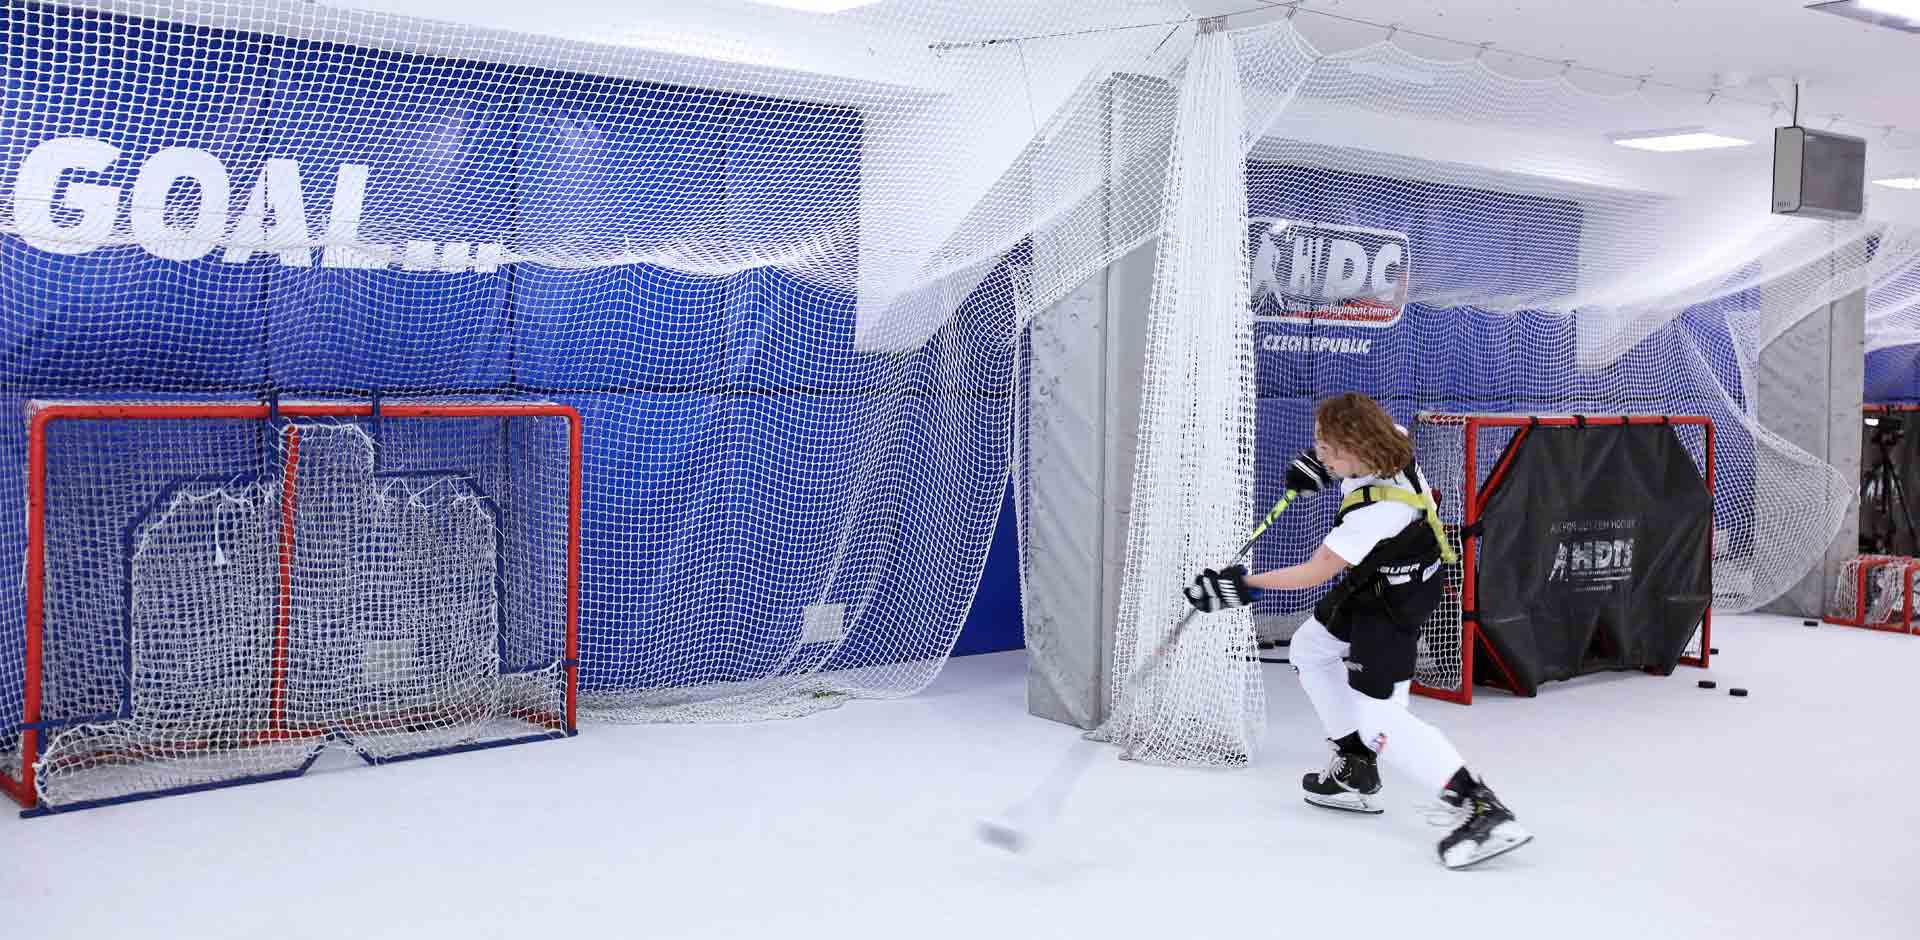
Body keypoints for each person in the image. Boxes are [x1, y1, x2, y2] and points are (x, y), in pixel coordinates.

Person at [1182, 392, 1532, 870]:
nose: (1318, 451)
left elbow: (1315, 572)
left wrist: (1242, 586)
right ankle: (1355, 769)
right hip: (1374, 580)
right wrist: (1318, 468)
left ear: (1358, 451)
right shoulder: (1394, 442)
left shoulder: (1376, 515)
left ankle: (1485, 809)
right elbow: (1352, 463)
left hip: (1395, 601)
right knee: (1311, 647)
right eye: (1318, 444)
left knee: (1383, 721)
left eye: (1327, 448)